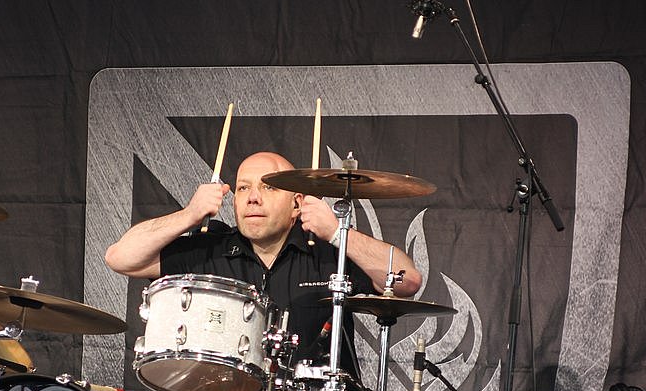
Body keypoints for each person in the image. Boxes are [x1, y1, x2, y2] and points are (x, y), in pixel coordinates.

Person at [105, 151, 421, 365]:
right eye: (243, 188)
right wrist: (189, 215)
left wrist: (339, 234)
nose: (253, 198)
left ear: (297, 204)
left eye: (268, 188)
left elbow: (407, 281)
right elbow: (121, 258)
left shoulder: (329, 254)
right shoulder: (209, 249)